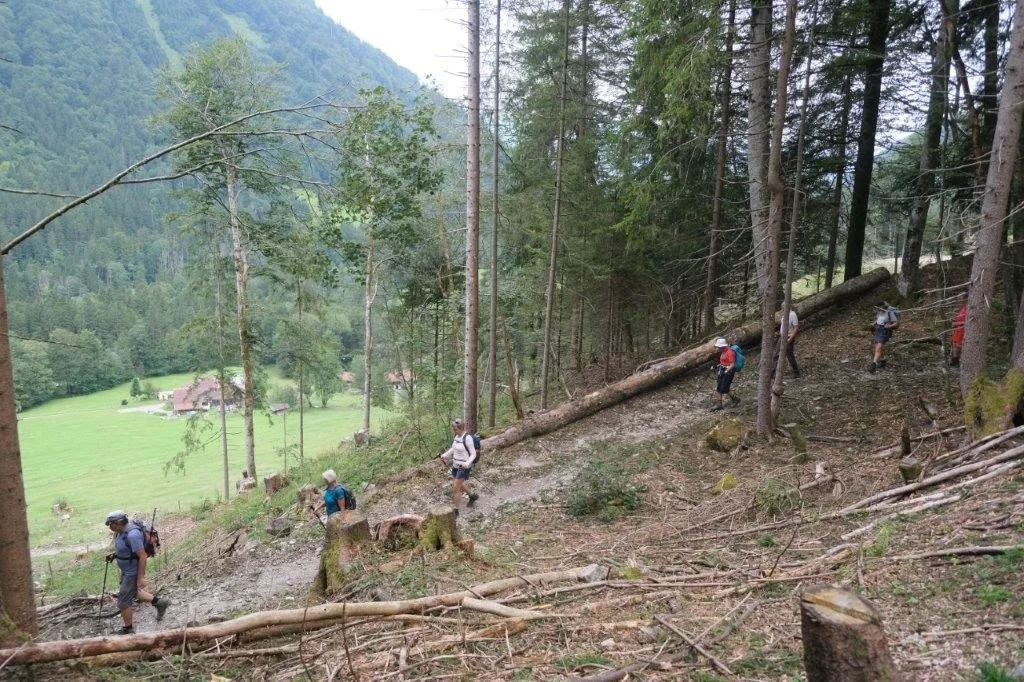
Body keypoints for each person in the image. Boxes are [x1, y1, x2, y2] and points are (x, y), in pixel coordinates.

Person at [104, 510, 168, 634]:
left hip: (131, 572)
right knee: (134, 592)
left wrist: (140, 577)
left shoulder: (132, 535)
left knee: (123, 602)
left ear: (118, 522)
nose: (109, 527)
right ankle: (160, 603)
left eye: (110, 524)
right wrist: (115, 555)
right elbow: (126, 549)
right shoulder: (120, 532)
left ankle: (128, 629)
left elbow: (142, 556)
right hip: (126, 569)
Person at [437, 418, 479, 508]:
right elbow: (453, 448)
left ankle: (455, 510)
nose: (454, 431)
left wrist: (467, 464)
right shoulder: (457, 437)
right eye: (453, 429)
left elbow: (473, 454)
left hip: (463, 467)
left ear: (461, 428)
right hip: (455, 465)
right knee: (460, 484)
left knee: (456, 488)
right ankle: (472, 496)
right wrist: (445, 455)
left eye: (455, 429)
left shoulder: (467, 438)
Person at [869, 302, 900, 373]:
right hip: (877, 330)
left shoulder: (889, 312)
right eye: (878, 308)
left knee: (878, 347)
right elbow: (878, 319)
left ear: (883, 307)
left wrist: (889, 326)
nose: (879, 309)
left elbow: (896, 323)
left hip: (885, 331)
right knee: (878, 347)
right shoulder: (879, 312)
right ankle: (883, 361)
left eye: (880, 308)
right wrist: (874, 323)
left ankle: (873, 365)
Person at [711, 337, 740, 411]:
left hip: (729, 372)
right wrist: (716, 366)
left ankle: (736, 399)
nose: (717, 348)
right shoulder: (723, 351)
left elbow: (732, 364)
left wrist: (727, 371)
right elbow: (723, 361)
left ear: (722, 346)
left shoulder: (730, 352)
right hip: (722, 370)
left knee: (725, 388)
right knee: (719, 387)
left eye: (718, 347)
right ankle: (719, 405)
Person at [773, 308, 801, 378]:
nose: (782, 309)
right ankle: (771, 373)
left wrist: (790, 339)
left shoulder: (792, 314)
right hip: (782, 337)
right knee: (776, 354)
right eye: (782, 308)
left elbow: (796, 328)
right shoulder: (785, 314)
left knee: (790, 355)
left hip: (788, 337)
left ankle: (796, 373)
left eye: (783, 308)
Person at [950, 293, 967, 367]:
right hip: (957, 330)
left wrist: (956, 323)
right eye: (958, 299)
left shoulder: (967, 308)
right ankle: (955, 360)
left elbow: (967, 321)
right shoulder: (962, 309)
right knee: (954, 345)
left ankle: (957, 362)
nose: (958, 300)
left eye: (960, 299)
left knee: (959, 346)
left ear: (965, 299)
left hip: (962, 330)